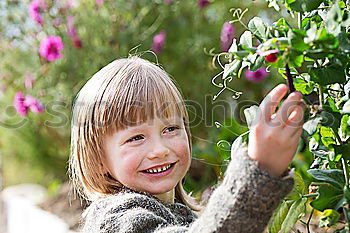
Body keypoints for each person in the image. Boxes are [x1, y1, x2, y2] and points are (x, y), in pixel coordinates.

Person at [69, 56, 305, 233]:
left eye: (170, 129)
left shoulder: (175, 213)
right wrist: (259, 169)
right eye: (136, 138)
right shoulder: (116, 220)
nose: (160, 149)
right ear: (97, 159)